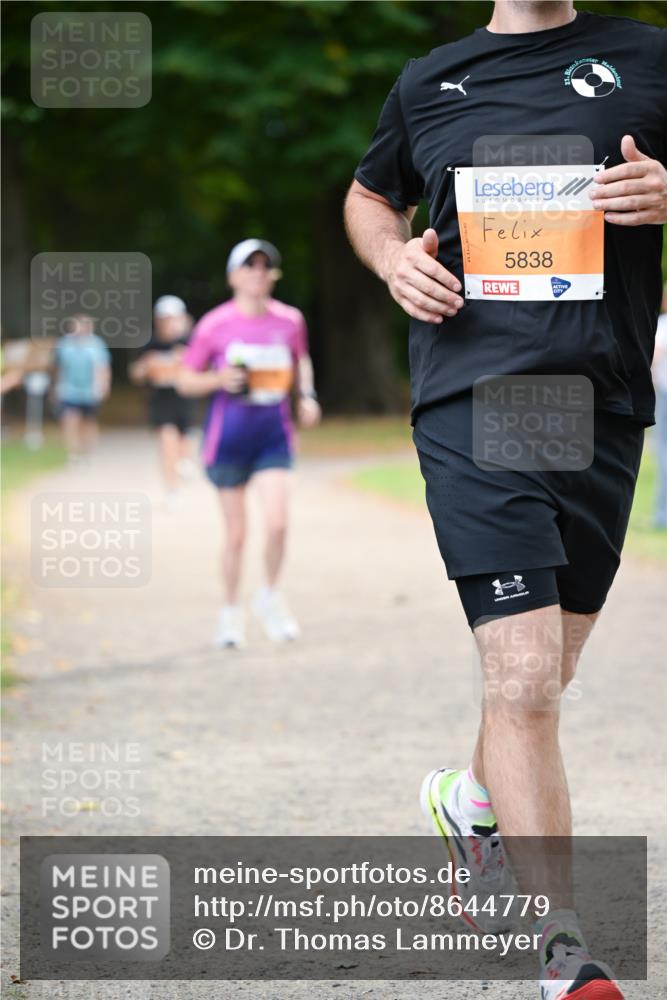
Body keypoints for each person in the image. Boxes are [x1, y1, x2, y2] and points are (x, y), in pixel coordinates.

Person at [345, 2, 666, 997]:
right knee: (522, 673)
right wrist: (391, 255)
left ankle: (468, 798)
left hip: (600, 403)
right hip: (473, 399)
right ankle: (561, 950)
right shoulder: (429, 81)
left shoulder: (648, 57)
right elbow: (367, 199)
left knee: (543, 673)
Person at [179, 239, 321, 647]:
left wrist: (307, 397)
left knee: (277, 523)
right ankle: (229, 613)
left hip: (273, 437)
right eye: (249, 265)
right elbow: (186, 380)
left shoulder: (290, 320)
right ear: (233, 276)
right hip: (228, 441)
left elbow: (301, 361)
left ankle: (270, 596)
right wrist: (218, 380)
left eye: (265, 265)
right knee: (237, 534)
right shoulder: (214, 325)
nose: (258, 271)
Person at [129, 295, 195, 509]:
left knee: (185, 444)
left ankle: (184, 464)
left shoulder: (190, 342)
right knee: (167, 444)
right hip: (161, 399)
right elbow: (136, 374)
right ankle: (172, 490)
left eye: (173, 318)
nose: (169, 323)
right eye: (165, 319)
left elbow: (205, 369)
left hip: (185, 398)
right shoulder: (150, 343)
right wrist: (146, 366)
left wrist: (186, 360)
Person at [53, 314, 111, 463]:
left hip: (90, 391)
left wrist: (104, 385)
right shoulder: (64, 344)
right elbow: (59, 367)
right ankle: (73, 454)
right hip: (69, 390)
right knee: (69, 420)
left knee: (89, 422)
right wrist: (56, 387)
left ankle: (89, 453)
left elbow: (103, 367)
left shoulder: (97, 344)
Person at [652, 284, 667, 528]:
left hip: (665, 395)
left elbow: (652, 359)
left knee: (664, 452)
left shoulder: (662, 326)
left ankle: (663, 514)